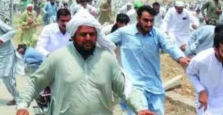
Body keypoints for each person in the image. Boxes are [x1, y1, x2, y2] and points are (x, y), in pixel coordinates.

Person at [16, 10, 155, 115]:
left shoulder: (106, 59)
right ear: (74, 35)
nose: (88, 38)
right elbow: (35, 83)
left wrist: (140, 108)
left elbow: (126, 88)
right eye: (83, 34)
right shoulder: (57, 58)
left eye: (92, 34)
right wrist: (22, 105)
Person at [107, 5, 191, 115]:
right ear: (138, 19)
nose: (149, 24)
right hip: (134, 86)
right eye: (146, 20)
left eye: (151, 21)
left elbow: (170, 46)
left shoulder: (157, 33)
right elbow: (105, 42)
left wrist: (181, 58)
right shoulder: (124, 33)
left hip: (154, 86)